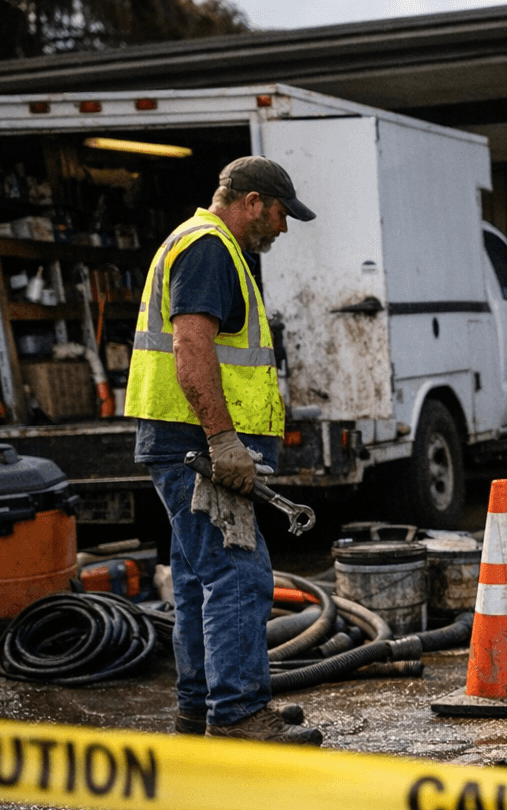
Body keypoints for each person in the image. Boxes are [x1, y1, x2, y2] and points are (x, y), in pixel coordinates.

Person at [126, 156, 323, 744]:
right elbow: (191, 346)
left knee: (195, 578)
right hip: (198, 448)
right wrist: (221, 438)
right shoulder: (210, 247)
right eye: (282, 214)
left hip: (186, 443)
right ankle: (238, 715)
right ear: (254, 201)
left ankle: (200, 709)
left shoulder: (206, 246)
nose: (283, 229)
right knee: (240, 575)